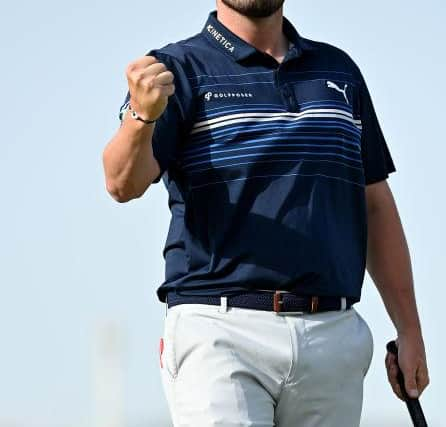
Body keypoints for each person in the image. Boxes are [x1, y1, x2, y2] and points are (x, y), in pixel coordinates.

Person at [102, 1, 429, 425]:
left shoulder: (339, 70)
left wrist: (409, 329)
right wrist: (141, 117)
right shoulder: (175, 70)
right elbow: (121, 183)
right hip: (219, 329)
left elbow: (375, 204)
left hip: (332, 331)